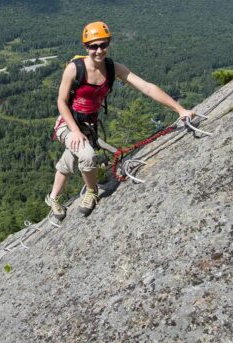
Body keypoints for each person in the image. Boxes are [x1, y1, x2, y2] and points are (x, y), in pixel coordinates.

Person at [46, 21, 195, 219]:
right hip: (68, 123)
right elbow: (62, 102)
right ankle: (92, 192)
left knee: (72, 157)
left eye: (103, 44)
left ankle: (53, 198)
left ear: (108, 43)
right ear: (85, 47)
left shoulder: (113, 68)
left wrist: (180, 109)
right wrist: (74, 130)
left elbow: (147, 87)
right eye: (93, 46)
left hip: (89, 125)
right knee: (87, 155)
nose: (99, 50)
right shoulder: (74, 69)